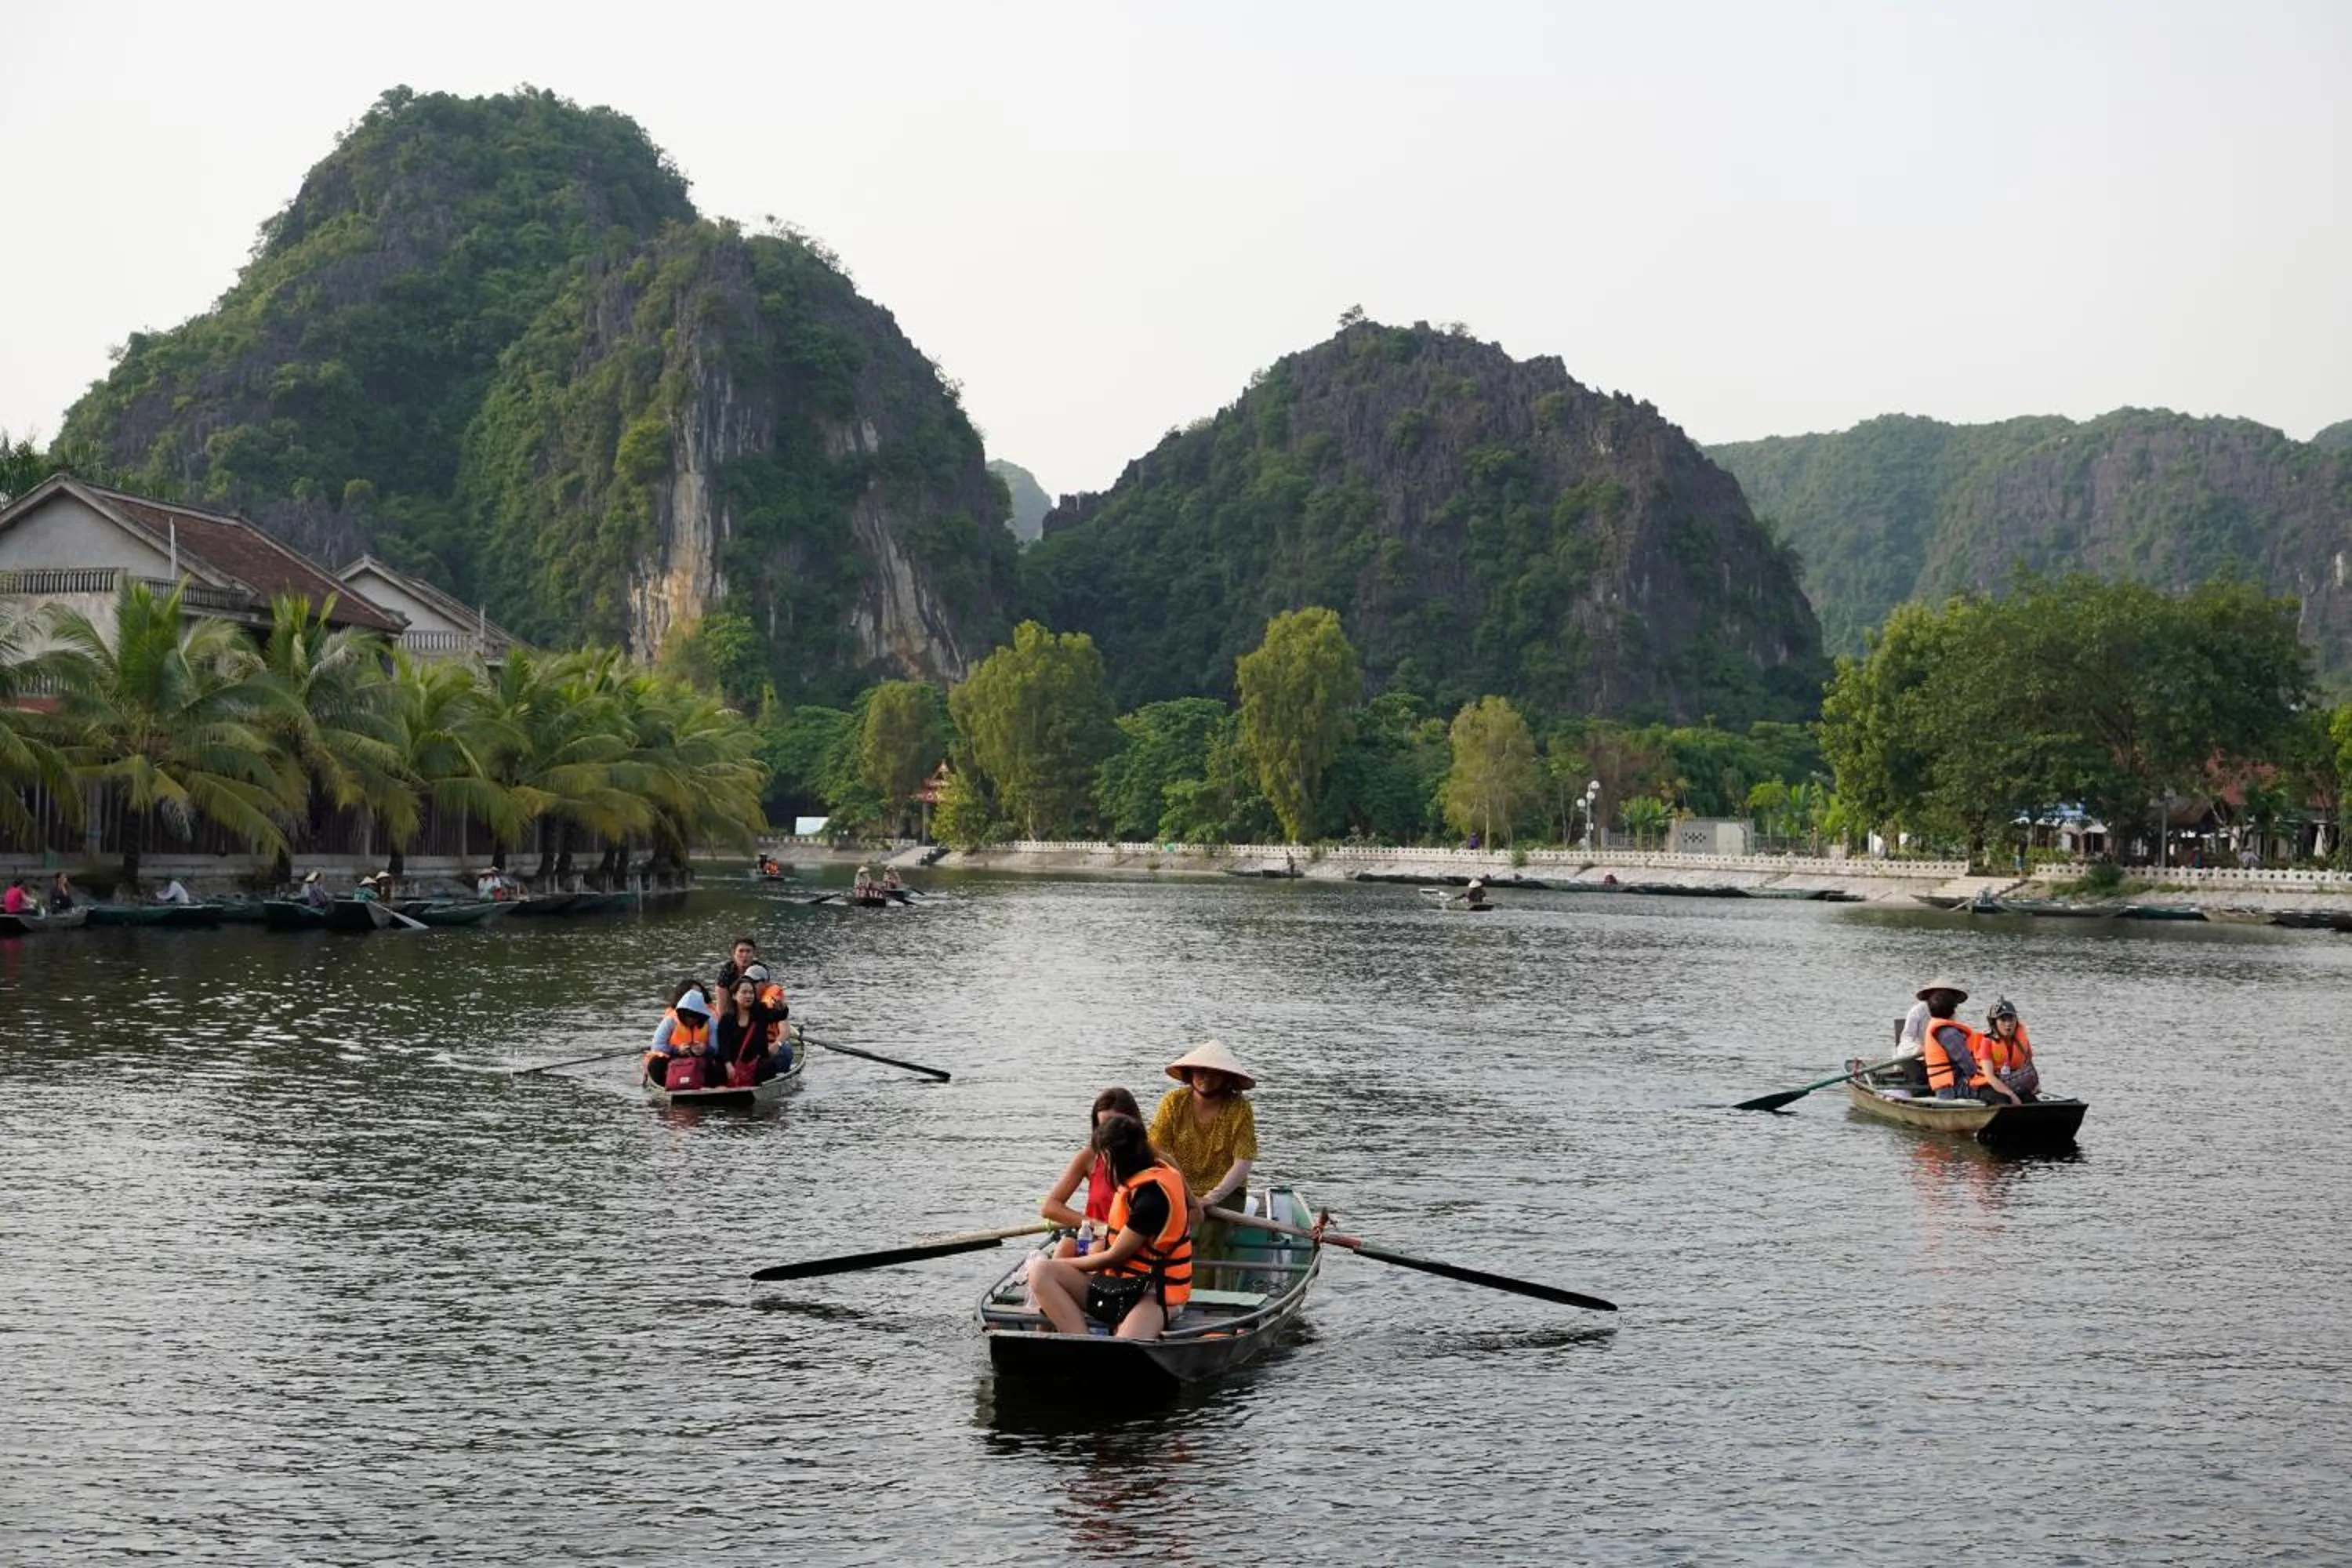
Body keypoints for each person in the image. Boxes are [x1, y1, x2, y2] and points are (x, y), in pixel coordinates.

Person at [1026, 1112, 1194, 1341]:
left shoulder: (1152, 1198)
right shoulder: (1140, 1181)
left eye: (1102, 1160)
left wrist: (1062, 1263)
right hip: (1119, 1285)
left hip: (1154, 1293)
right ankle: (1083, 1343)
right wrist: (1052, 1265)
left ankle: (1102, 1351)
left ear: (1112, 1157)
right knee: (1041, 1272)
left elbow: (1113, 1256)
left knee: (1124, 1347)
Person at [1149, 1040, 1259, 1243]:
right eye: (1201, 1071)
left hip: (1225, 1193)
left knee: (1209, 1235)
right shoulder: (1174, 1102)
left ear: (1227, 1078)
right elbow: (1155, 1150)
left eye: (1214, 1073)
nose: (1206, 1078)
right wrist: (1181, 1193)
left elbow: (1243, 1161)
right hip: (1179, 1185)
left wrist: (1210, 1198)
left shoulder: (1239, 1109)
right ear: (1190, 1073)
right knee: (1155, 1224)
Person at [1039, 1087, 1148, 1259]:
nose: (1109, 1134)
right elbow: (1050, 1207)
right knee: (1064, 1249)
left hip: (1131, 1239)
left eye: (1115, 1124)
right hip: (1096, 1232)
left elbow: (1190, 1208)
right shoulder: (1089, 1157)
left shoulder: (1152, 1157)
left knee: (1096, 1251)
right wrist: (1096, 1224)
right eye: (1103, 1126)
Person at [1915, 975, 2020, 1106]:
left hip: (1954, 1082)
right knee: (2000, 1095)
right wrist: (1990, 1075)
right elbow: (1970, 1068)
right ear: (1954, 1007)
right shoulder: (1948, 1033)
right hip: (1951, 1089)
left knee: (2000, 1085)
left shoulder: (1941, 1027)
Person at [713, 975, 789, 1084]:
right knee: (716, 1068)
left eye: (751, 993)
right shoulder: (727, 1018)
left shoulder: (761, 1011)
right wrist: (728, 1064)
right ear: (734, 996)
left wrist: (782, 1008)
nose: (748, 996)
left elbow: (778, 1016)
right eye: (744, 992)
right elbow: (723, 1044)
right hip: (734, 1062)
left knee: (768, 1066)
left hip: (757, 1063)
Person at [644, 984, 720, 1090]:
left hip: (700, 1059)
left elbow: (716, 1048)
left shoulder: (710, 1021)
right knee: (655, 1064)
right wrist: (677, 1050)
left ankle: (707, 1086)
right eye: (687, 1016)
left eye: (695, 1017)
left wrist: (705, 1049)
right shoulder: (670, 1021)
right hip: (674, 1058)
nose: (691, 1020)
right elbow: (657, 1046)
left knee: (719, 1066)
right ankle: (666, 1086)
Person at [1982, 999, 2040, 1102]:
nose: (2008, 1024)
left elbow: (2029, 1066)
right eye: (2003, 1020)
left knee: (2031, 1100)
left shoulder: (2022, 1041)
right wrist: (2012, 1095)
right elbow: (1989, 1076)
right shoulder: (1986, 1042)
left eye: (2011, 1019)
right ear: (1994, 1022)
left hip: (2013, 1082)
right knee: (2005, 1099)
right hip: (1990, 1085)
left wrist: (2037, 1085)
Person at [715, 936, 761, 1000]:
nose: (745, 955)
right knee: (719, 988)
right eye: (741, 951)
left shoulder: (761, 970)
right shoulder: (726, 971)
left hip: (755, 1003)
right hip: (732, 1003)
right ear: (734, 954)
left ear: (753, 954)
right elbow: (721, 990)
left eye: (748, 951)